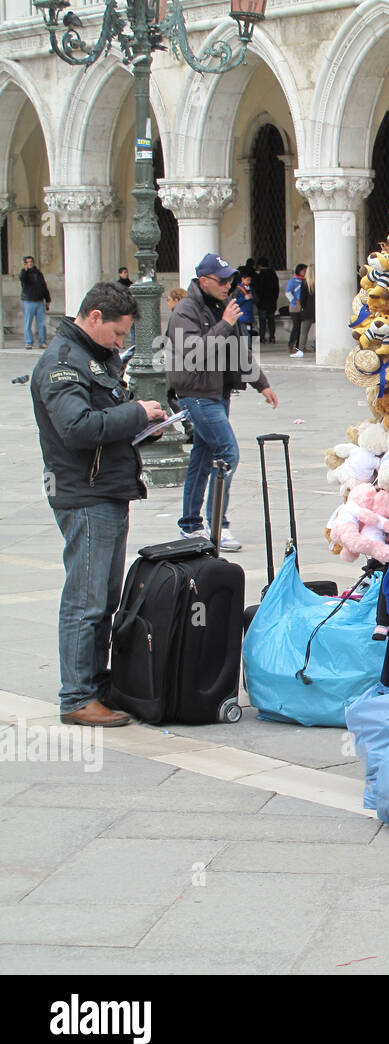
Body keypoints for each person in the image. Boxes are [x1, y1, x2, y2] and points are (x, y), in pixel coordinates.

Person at [31, 282, 168, 727]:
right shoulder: (63, 363)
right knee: (85, 600)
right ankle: (76, 696)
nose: (122, 341)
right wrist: (136, 414)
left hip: (106, 488)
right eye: (118, 332)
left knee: (104, 598)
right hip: (84, 494)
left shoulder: (94, 357)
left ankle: (96, 683)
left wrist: (143, 424)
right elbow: (76, 428)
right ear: (93, 318)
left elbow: (104, 417)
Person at [167, 252, 279, 551]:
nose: (227, 286)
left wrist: (262, 384)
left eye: (230, 280)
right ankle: (219, 525)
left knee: (203, 459)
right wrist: (225, 323)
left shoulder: (219, 307)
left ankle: (190, 525)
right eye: (221, 280)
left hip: (218, 392)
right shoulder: (185, 311)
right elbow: (193, 353)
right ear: (203, 281)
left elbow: (237, 350)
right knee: (227, 454)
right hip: (197, 394)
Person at [19, 255, 52, 350]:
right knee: (28, 323)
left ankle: (42, 342)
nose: (30, 263)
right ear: (25, 263)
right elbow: (22, 278)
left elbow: (44, 287)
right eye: (27, 262)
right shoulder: (24, 273)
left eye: (31, 262)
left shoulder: (38, 273)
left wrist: (48, 299)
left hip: (39, 301)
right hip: (28, 301)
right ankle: (29, 342)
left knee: (41, 323)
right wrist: (24, 269)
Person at [254, 256, 279, 344]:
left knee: (262, 321)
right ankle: (272, 337)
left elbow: (259, 289)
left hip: (263, 302)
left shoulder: (261, 275)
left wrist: (258, 300)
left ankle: (262, 337)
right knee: (271, 320)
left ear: (260, 265)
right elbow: (277, 289)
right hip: (272, 302)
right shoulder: (273, 274)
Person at [286, 263, 307, 356]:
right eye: (303, 270)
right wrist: (294, 302)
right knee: (296, 326)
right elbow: (288, 292)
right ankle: (290, 345)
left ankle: (300, 347)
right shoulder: (293, 281)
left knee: (302, 327)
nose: (305, 272)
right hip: (295, 307)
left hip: (303, 305)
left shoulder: (305, 281)